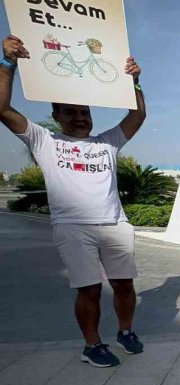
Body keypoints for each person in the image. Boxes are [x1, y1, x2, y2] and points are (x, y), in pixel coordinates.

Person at [0, 35, 146, 367]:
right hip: (72, 227)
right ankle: (92, 345)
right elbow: (3, 110)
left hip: (115, 224)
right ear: (57, 115)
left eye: (84, 112)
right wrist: (8, 64)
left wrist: (135, 84)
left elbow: (136, 118)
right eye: (71, 113)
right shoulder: (44, 140)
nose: (80, 118)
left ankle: (126, 332)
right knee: (90, 289)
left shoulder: (106, 142)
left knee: (124, 284)